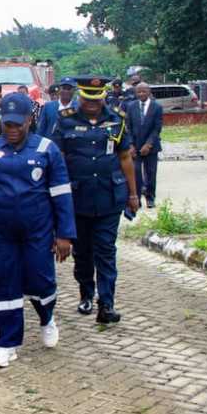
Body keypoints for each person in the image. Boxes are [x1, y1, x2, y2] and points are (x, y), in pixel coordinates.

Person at [0, 92, 76, 368]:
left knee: (40, 281)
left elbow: (61, 195)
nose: (11, 130)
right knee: (4, 284)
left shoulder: (47, 150)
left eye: (17, 124)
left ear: (29, 120)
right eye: (7, 124)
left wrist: (64, 234)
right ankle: (7, 343)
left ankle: (46, 317)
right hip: (0, 234)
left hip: (38, 232)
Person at [51, 76, 139, 323]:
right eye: (87, 98)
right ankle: (86, 294)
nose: (91, 103)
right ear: (80, 96)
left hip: (109, 197)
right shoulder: (65, 120)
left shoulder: (116, 120)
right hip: (76, 198)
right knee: (83, 252)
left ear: (103, 97)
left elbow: (125, 158)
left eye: (96, 98)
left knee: (106, 251)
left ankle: (107, 303)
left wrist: (133, 194)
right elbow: (56, 157)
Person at [125, 82, 163, 208]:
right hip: (134, 147)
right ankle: (137, 200)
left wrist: (148, 144)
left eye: (144, 91)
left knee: (151, 173)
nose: (141, 94)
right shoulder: (131, 106)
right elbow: (128, 127)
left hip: (150, 147)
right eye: (139, 92)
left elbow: (157, 128)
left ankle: (150, 198)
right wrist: (130, 144)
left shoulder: (157, 107)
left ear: (149, 92)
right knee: (135, 173)